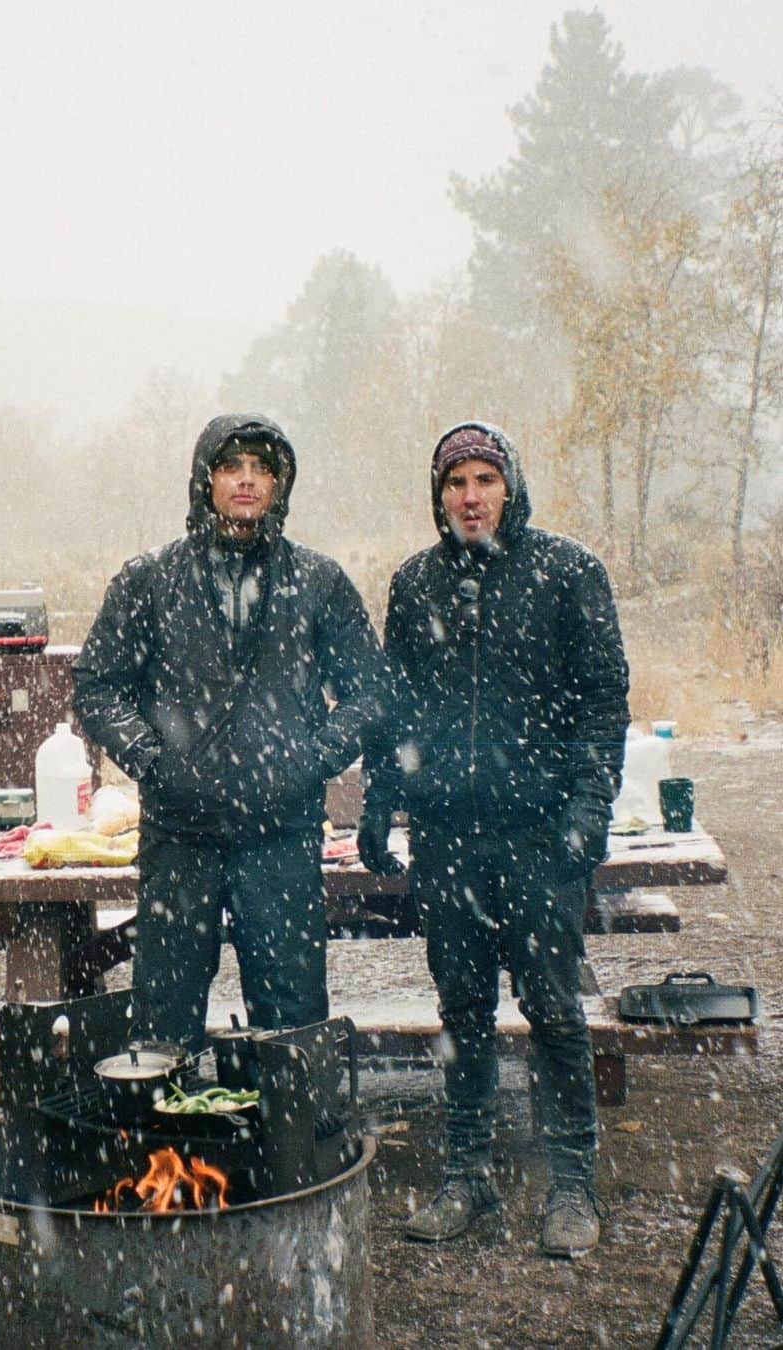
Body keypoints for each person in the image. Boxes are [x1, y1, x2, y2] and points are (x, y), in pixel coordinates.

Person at [358, 421, 629, 1258]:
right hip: (448, 840)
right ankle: (466, 1175)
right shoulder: (415, 584)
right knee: (464, 1013)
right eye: (455, 483)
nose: (470, 497)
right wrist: (382, 799)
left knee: (553, 1012)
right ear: (438, 496)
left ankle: (572, 1186)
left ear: (510, 486)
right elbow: (393, 706)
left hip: (538, 836)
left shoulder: (567, 574)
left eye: (484, 479)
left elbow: (601, 705)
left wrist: (588, 811)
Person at [73, 413, 387, 1053]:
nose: (247, 481)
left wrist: (314, 757)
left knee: (292, 1028)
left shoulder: (316, 581)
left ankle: (294, 1146)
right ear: (205, 478)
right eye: (231, 466)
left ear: (280, 484)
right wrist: (154, 760)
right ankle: (170, 1151)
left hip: (282, 837)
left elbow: (372, 690)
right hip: (180, 836)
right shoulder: (151, 580)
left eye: (261, 468)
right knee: (163, 1025)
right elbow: (97, 685)